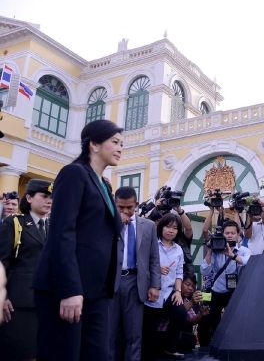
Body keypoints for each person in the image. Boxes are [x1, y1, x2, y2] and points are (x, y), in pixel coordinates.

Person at [34, 119, 124, 361]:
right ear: (94, 144)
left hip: (97, 291)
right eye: (114, 142)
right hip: (69, 290)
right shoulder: (74, 174)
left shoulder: (105, 184)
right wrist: (70, 290)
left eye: (121, 144)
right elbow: (62, 233)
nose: (120, 148)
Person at [0, 179, 52, 360]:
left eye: (51, 197)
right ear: (29, 198)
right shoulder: (14, 223)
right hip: (19, 302)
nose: (49, 200)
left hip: (46, 301)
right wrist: (3, 297)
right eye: (44, 196)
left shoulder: (53, 227)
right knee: (20, 352)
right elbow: (2, 261)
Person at [108, 186, 161, 361]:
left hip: (136, 282)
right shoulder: (106, 224)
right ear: (114, 205)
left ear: (136, 205)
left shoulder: (149, 226)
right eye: (120, 207)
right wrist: (115, 225)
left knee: (134, 334)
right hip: (110, 284)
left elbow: (154, 257)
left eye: (129, 207)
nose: (125, 211)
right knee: (109, 334)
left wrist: (155, 285)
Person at [142, 213, 185, 360]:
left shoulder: (179, 249)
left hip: (169, 293)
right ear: (161, 227)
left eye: (175, 228)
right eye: (168, 226)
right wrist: (157, 269)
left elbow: (179, 272)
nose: (171, 230)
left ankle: (170, 347)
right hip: (152, 292)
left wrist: (178, 291)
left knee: (180, 312)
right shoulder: (152, 244)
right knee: (149, 331)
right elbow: (142, 265)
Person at [200, 219, 250, 339]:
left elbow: (247, 262)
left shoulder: (243, 251)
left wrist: (232, 256)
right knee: (210, 319)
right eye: (227, 233)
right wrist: (210, 249)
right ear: (223, 234)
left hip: (233, 291)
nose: (230, 235)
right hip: (215, 290)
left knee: (234, 320)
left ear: (238, 234)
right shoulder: (216, 250)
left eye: (233, 233)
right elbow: (204, 271)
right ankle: (208, 346)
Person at [162, 273, 209, 354]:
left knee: (191, 339)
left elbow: (192, 320)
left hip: (175, 336)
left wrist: (201, 313)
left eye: (193, 287)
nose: (190, 288)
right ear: (180, 283)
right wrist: (192, 302)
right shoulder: (172, 296)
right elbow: (178, 312)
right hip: (162, 333)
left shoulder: (186, 300)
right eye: (187, 285)